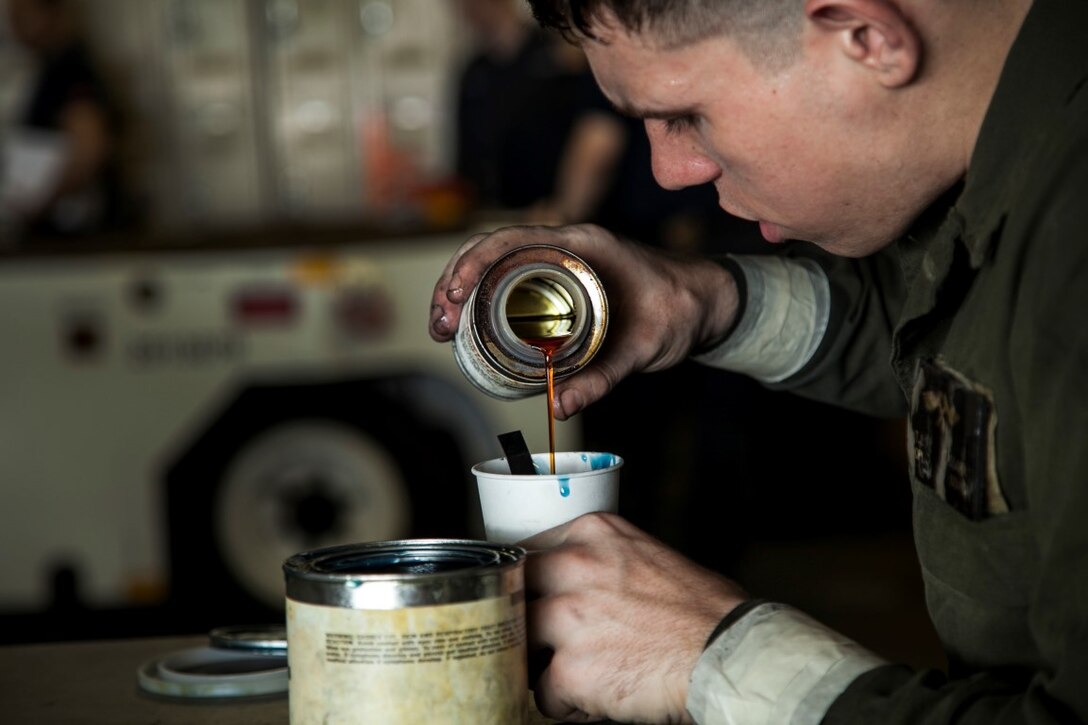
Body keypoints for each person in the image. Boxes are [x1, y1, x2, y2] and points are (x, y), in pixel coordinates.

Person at [429, 0, 1088, 723]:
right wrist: (703, 301)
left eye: (685, 113)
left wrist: (719, 661)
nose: (672, 168)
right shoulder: (1003, 151)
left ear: (864, 36)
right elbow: (944, 331)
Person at [1, 0, 124, 242]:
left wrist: (41, 202)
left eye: (22, 17)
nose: (14, 27)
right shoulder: (48, 70)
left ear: (52, 14)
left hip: (74, 232)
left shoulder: (71, 70)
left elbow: (89, 148)